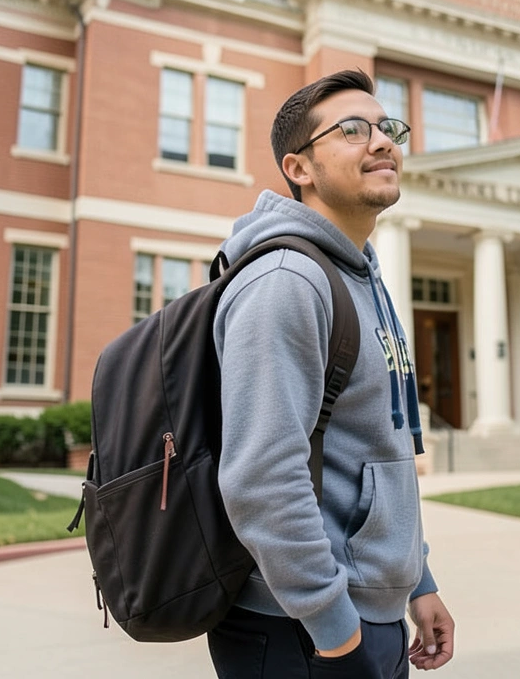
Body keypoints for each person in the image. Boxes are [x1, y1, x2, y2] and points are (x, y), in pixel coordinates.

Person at [208, 69, 455, 678]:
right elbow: (262, 478)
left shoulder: (364, 277)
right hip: (298, 631)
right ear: (300, 168)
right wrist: (336, 632)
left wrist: (416, 579)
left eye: (386, 127)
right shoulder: (287, 282)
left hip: (367, 616)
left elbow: (382, 442)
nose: (381, 141)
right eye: (352, 129)